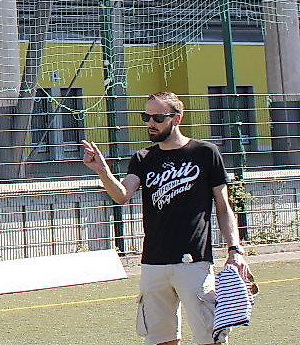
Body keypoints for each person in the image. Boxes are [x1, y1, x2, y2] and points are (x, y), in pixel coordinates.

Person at [82, 91, 249, 345]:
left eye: (158, 118)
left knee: (210, 337)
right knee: (160, 339)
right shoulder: (143, 158)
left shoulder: (205, 152)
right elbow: (122, 195)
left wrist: (234, 249)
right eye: (146, 117)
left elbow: (223, 206)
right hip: (154, 263)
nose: (151, 123)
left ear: (176, 118)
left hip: (193, 262)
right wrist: (103, 171)